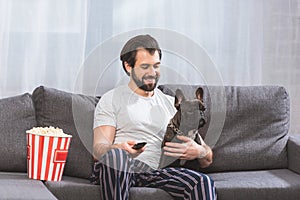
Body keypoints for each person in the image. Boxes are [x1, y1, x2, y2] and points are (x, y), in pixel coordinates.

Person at [90, 34, 216, 200]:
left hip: (157, 172)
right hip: (122, 167)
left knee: (202, 182)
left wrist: (199, 151)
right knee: (116, 157)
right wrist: (118, 149)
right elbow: (98, 150)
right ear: (128, 66)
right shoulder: (111, 99)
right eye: (145, 67)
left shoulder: (173, 104)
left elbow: (208, 158)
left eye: (156, 66)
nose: (152, 73)